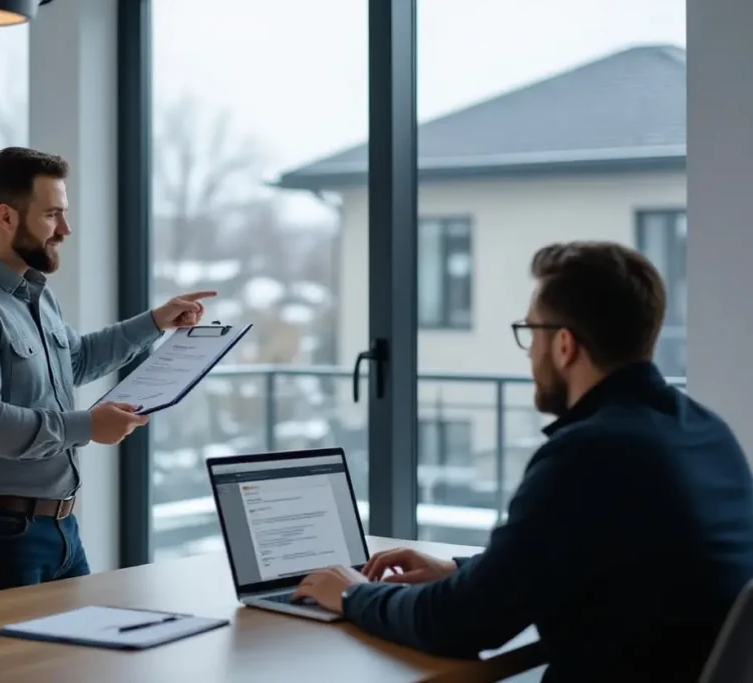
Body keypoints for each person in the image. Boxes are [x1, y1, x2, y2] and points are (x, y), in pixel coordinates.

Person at [293, 241, 753, 682]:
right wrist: (458, 570)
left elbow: (458, 625)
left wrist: (353, 593)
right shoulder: (703, 431)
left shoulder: (588, 455)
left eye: (530, 332)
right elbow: (576, 559)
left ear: (564, 345)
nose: (529, 351)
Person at [0, 146, 215, 599]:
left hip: (59, 530)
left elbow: (75, 361)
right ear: (6, 217)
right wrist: (87, 426)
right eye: (53, 215)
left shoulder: (33, 291)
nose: (66, 230)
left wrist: (155, 321)